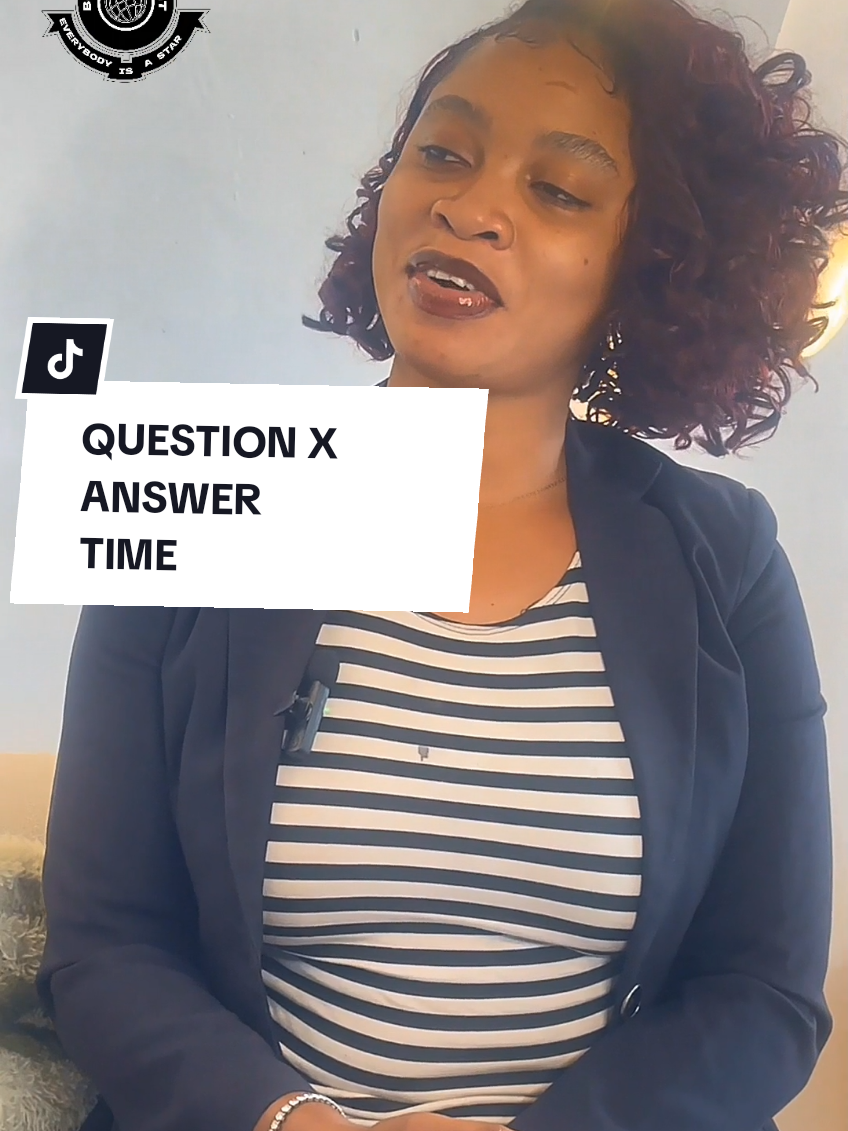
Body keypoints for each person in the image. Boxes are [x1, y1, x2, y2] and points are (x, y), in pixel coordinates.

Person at [38, 2, 846, 1131]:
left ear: (653, 263)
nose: (467, 207)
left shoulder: (727, 558)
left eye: (555, 189)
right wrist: (294, 1123)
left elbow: (761, 994)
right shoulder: (193, 496)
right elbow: (104, 946)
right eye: (444, 153)